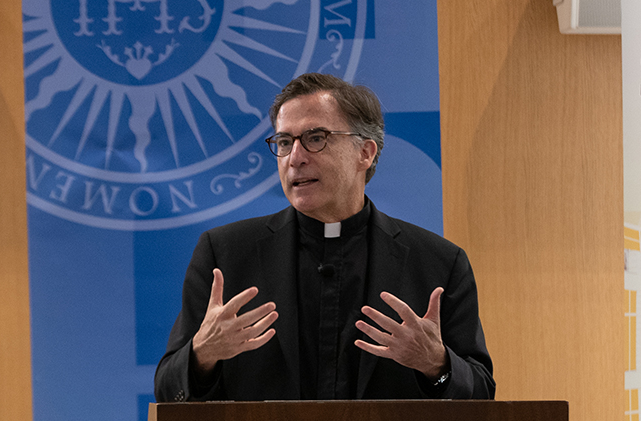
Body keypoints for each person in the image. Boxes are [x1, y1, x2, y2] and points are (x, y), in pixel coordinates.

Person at [154, 73, 494, 402]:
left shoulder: (438, 263)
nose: (295, 159)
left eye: (315, 138)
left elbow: (481, 394)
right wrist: (202, 355)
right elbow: (168, 390)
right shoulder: (225, 255)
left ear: (366, 153)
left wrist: (436, 365)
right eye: (285, 142)